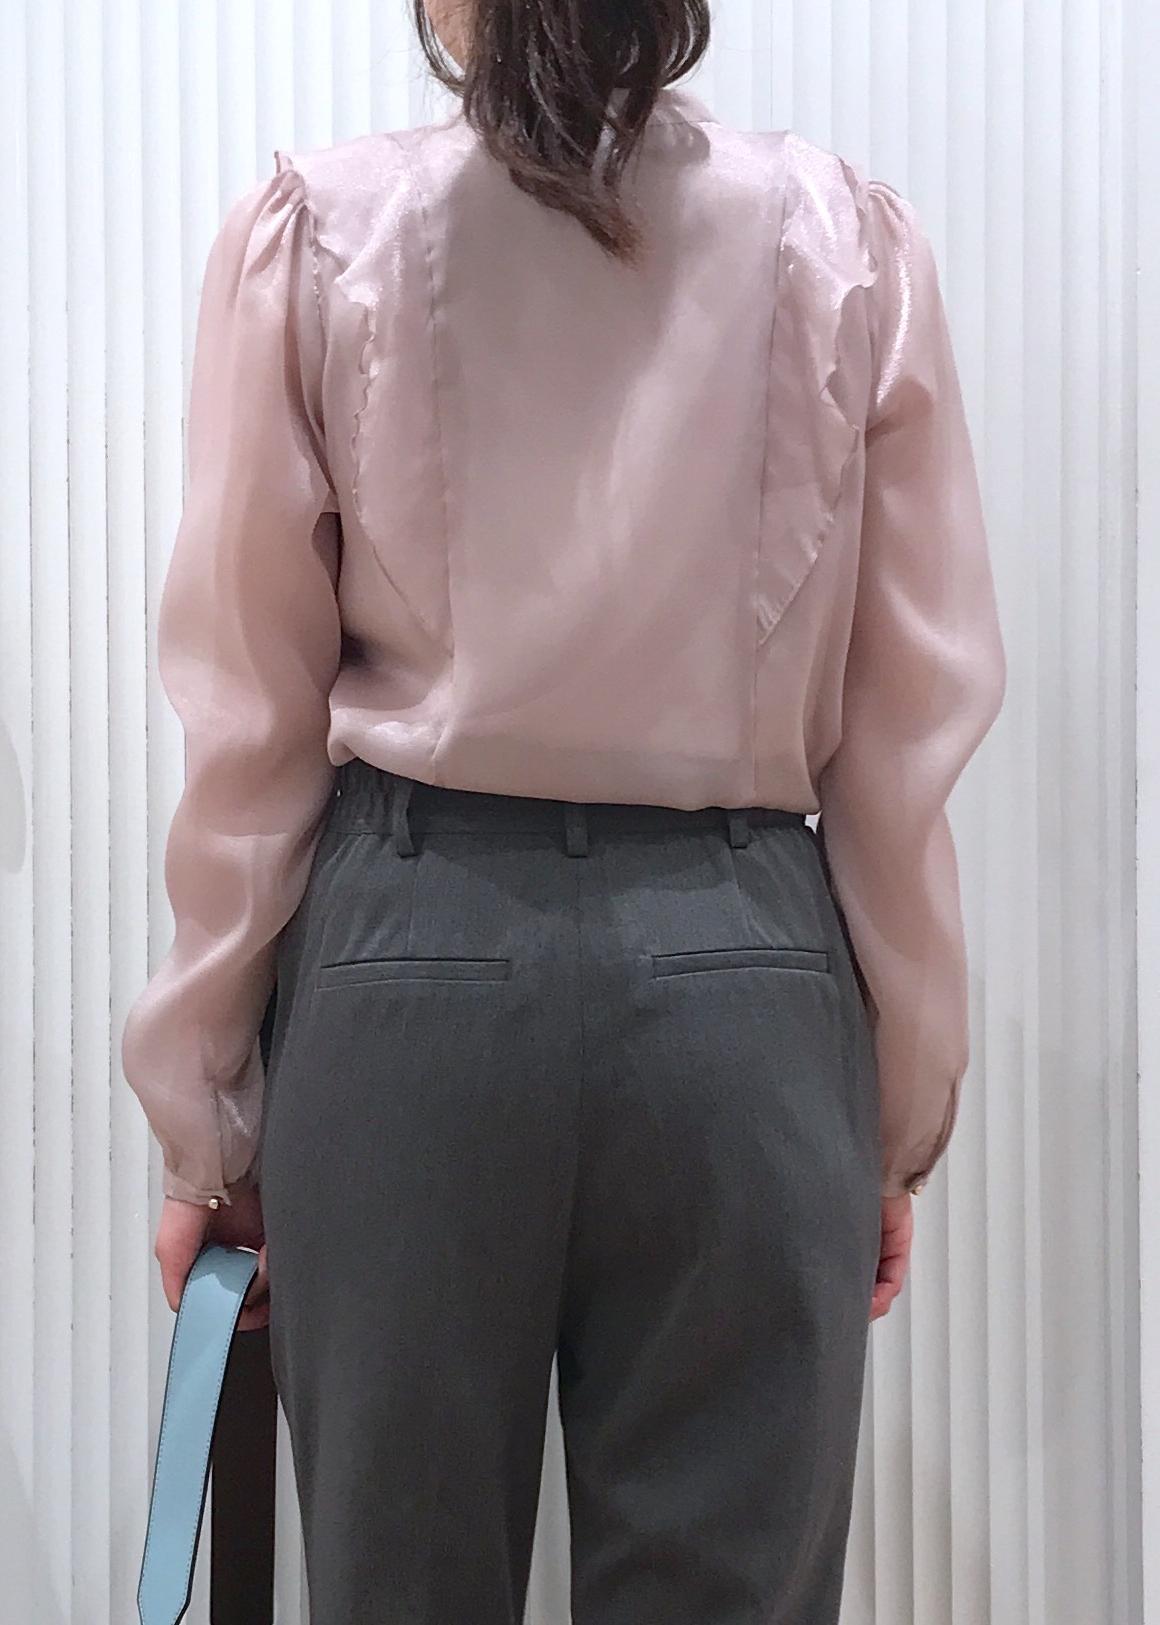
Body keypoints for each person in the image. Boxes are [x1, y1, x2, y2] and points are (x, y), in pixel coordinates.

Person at [120, 0, 1006, 1618]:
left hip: (410, 972)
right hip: (744, 987)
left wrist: (207, 1123)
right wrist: (892, 1119)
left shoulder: (326, 235)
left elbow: (248, 721)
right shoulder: (839, 243)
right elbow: (906, 735)